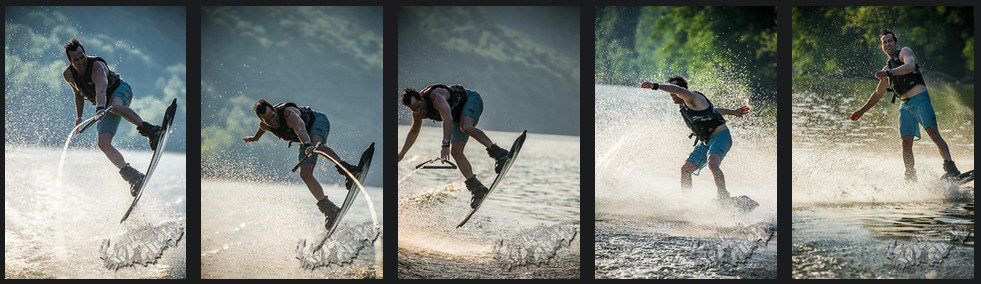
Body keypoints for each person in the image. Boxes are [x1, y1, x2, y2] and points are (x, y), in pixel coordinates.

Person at [850, 29, 961, 182]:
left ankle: (951, 168)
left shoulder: (904, 52)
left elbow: (910, 65)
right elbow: (877, 94)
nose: (887, 44)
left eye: (890, 41)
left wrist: (889, 73)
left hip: (920, 99)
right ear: (882, 46)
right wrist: (861, 111)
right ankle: (910, 176)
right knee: (906, 142)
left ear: (895, 42)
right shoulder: (886, 69)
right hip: (905, 105)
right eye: (884, 42)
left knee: (933, 134)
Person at [62, 38, 164, 196]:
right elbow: (77, 94)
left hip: (120, 92)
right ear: (70, 61)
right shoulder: (68, 75)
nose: (81, 61)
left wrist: (100, 108)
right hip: (104, 106)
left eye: (82, 56)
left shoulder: (96, 66)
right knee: (103, 143)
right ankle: (133, 176)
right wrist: (79, 117)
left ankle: (152, 131)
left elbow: (101, 91)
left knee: (115, 107)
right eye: (76, 59)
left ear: (85, 53)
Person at [243, 99, 360, 229]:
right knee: (305, 174)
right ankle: (329, 210)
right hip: (304, 140)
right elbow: (261, 128)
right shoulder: (265, 124)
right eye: (267, 120)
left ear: (274, 110)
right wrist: (255, 138)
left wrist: (308, 145)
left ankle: (350, 171)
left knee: (317, 147)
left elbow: (301, 130)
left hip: (317, 122)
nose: (272, 121)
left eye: (272, 116)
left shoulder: (288, 114)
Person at [397, 84, 509, 208]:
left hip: (470, 100)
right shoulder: (417, 113)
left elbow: (447, 118)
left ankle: (500, 154)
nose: (419, 111)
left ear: (421, 98)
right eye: (414, 109)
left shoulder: (435, 97)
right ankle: (477, 189)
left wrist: (445, 144)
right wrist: (402, 153)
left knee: (466, 126)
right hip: (457, 116)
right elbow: (413, 132)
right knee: (456, 152)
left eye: (419, 106)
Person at [640, 76, 750, 200]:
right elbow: (714, 111)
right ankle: (687, 201)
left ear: (682, 90)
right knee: (685, 170)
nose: (671, 94)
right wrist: (734, 112)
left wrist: (654, 86)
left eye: (674, 90)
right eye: (671, 91)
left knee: (712, 164)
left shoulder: (693, 97)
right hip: (706, 142)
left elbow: (677, 90)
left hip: (720, 136)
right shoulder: (686, 105)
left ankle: (723, 196)